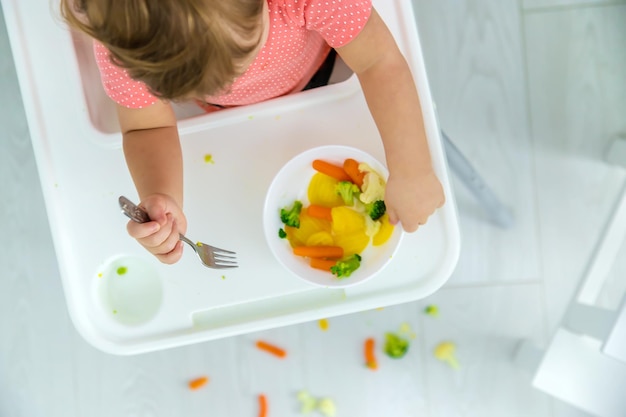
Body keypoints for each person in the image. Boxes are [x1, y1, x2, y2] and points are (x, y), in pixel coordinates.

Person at [61, 0, 445, 264]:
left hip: (325, 68)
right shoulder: (126, 41)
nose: (233, 82)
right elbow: (147, 126)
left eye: (238, 63)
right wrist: (161, 192)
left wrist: (412, 169)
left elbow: (380, 63)